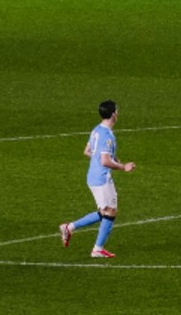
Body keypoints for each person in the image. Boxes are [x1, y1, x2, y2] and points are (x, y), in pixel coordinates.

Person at [58, 99, 136, 259]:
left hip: (92, 176)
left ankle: (69, 227)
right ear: (113, 114)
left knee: (104, 211)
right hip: (101, 178)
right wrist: (123, 167)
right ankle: (97, 249)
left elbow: (87, 151)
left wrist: (111, 158)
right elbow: (104, 161)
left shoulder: (96, 130)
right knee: (111, 211)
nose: (118, 113)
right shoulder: (107, 135)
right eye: (117, 110)